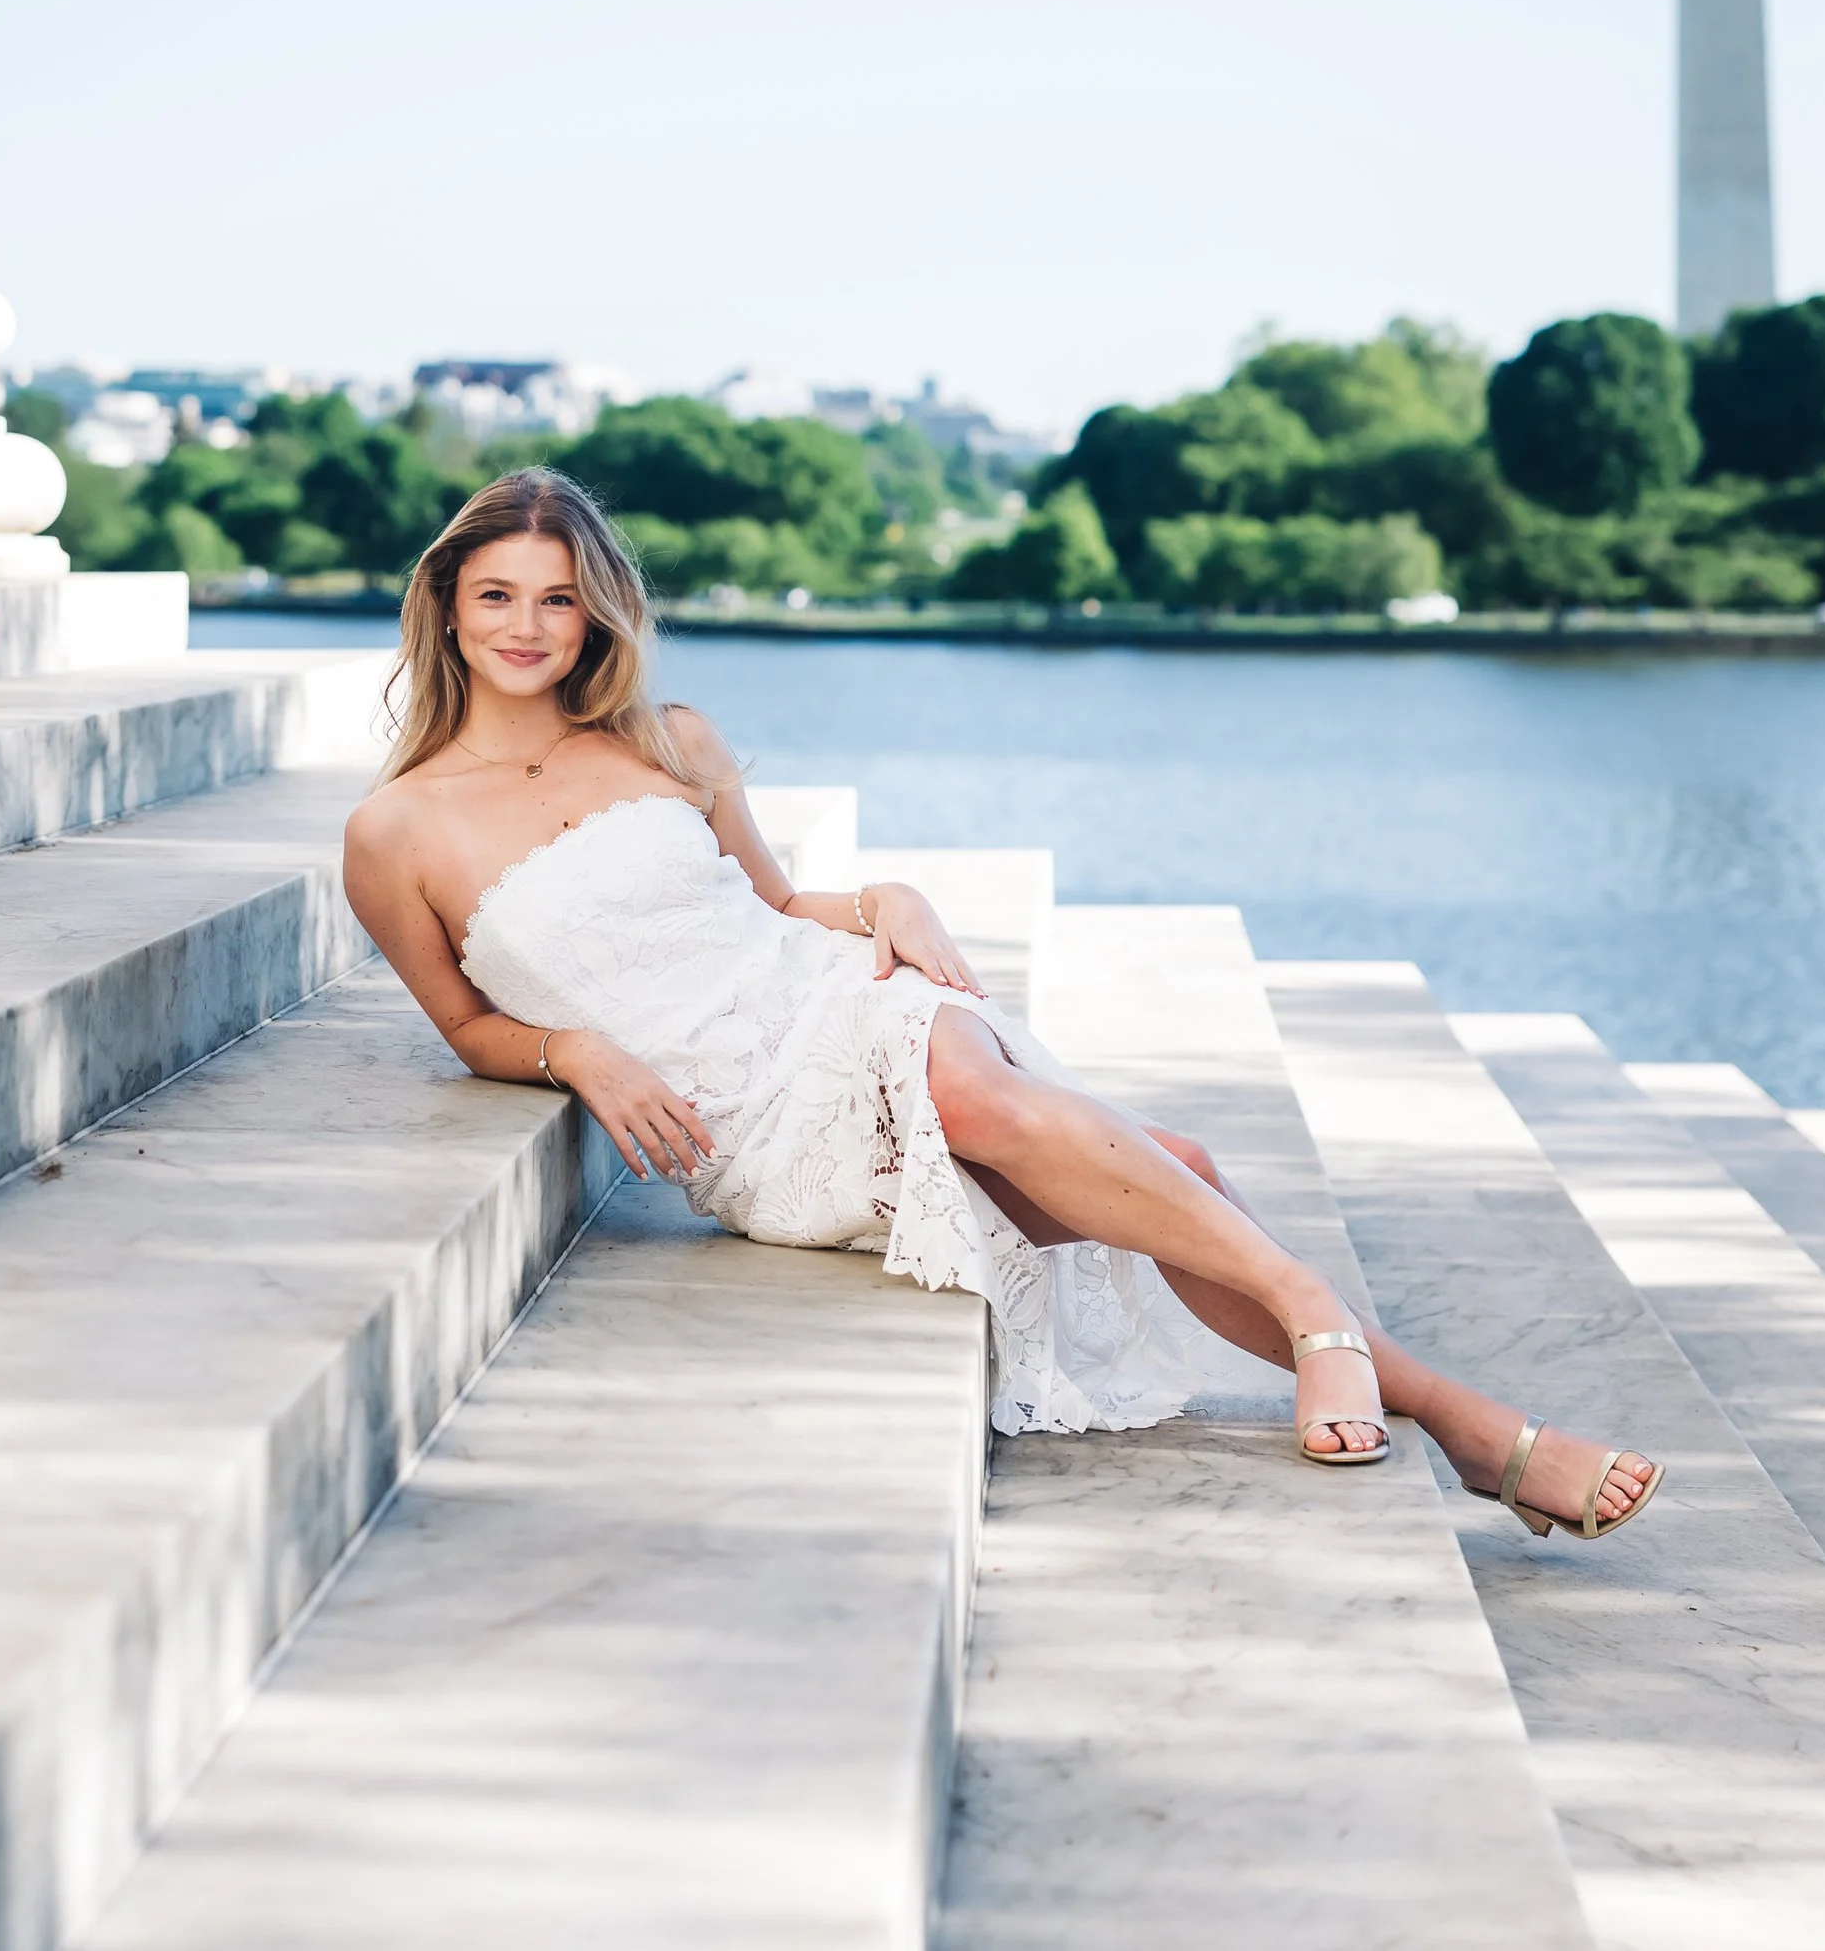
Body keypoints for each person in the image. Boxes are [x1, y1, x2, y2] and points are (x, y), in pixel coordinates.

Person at [343, 468, 1661, 1533]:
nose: (525, 624)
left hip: (846, 1004)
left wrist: (880, 902)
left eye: (558, 599)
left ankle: (1325, 1323)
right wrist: (574, 1047)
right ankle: (1478, 1430)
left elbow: (772, 908)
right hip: (752, 1132)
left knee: (972, 1089)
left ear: (598, 616)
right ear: (445, 607)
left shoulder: (666, 739)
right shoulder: (397, 831)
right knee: (1172, 1174)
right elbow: (463, 1025)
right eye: (497, 594)